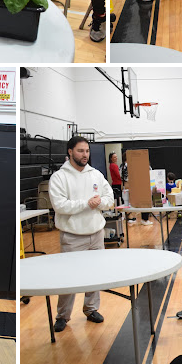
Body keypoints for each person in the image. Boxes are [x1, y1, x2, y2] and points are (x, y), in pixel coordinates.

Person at [48, 137, 113, 333]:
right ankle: (62, 316)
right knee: (69, 278)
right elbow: (59, 206)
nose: (85, 155)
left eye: (87, 151)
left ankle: (91, 309)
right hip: (72, 236)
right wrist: (87, 203)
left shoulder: (96, 175)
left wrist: (99, 202)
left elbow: (109, 198)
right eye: (80, 151)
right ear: (70, 152)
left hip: (96, 233)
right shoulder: (59, 177)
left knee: (94, 275)